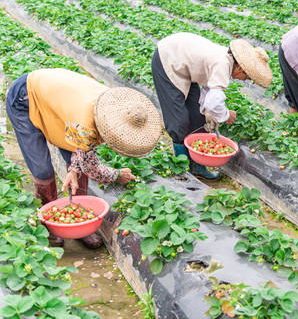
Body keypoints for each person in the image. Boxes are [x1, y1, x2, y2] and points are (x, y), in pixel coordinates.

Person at [6, 68, 162, 248]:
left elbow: (81, 151)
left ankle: (79, 221)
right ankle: (48, 226)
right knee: (42, 168)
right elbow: (90, 167)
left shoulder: (110, 107)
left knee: (71, 155)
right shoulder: (86, 122)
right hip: (25, 96)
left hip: (60, 102)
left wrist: (73, 169)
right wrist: (117, 175)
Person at [151, 33, 272, 181]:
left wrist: (207, 112)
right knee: (179, 120)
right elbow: (213, 102)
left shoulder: (226, 61)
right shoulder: (223, 64)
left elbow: (208, 92)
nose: (244, 80)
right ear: (241, 68)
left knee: (197, 117)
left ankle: (198, 167)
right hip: (167, 59)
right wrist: (226, 115)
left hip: (185, 65)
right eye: (246, 77)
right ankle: (182, 170)